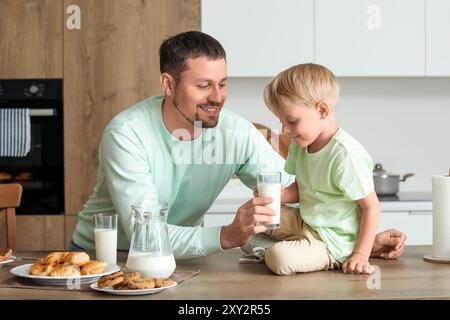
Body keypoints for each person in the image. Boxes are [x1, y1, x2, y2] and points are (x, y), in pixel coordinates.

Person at [70, 31, 406, 262]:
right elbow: (145, 235)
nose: (217, 97)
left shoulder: (235, 132)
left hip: (183, 261)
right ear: (168, 84)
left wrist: (351, 243)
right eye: (203, 85)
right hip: (108, 259)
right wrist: (226, 237)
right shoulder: (127, 135)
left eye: (222, 84)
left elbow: (294, 189)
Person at [247, 63, 385, 275]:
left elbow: (371, 207)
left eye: (291, 121)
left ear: (322, 110)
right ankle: (291, 247)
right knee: (251, 222)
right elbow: (302, 188)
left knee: (279, 259)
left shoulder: (345, 154)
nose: (284, 129)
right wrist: (279, 196)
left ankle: (327, 254)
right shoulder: (300, 144)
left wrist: (361, 255)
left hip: (333, 239)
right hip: (307, 222)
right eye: (281, 121)